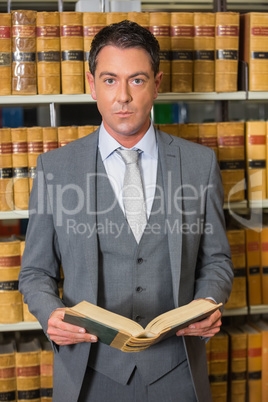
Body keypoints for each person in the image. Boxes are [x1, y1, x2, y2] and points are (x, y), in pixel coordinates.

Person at [19, 20, 233, 402]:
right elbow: (35, 272)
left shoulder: (199, 164)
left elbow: (216, 261)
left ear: (157, 83)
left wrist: (209, 302)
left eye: (136, 80)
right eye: (110, 80)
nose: (122, 97)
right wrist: (50, 313)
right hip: (88, 371)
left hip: (177, 370)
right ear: (91, 85)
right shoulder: (55, 168)